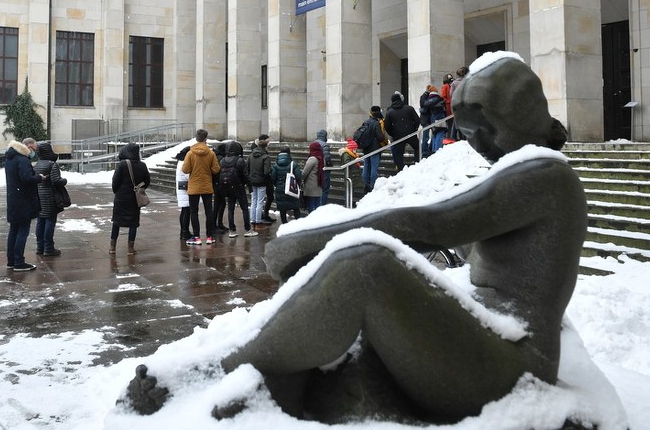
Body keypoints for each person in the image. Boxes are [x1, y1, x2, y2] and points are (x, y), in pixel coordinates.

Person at [123, 54, 585, 424]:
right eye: (467, 133)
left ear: (515, 117)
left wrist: (307, 244)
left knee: (366, 263)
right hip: (491, 337)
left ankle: (220, 369)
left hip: (509, 364)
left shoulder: (543, 175)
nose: (477, 145)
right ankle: (265, 372)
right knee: (365, 286)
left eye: (483, 131)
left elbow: (428, 225)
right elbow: (463, 237)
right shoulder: (530, 175)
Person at [5, 137, 45, 271]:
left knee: (14, 230)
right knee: (23, 230)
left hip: (14, 199)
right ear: (28, 146)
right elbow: (26, 178)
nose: (34, 152)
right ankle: (18, 262)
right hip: (23, 201)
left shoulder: (11, 157)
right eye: (34, 148)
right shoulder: (22, 159)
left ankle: (11, 260)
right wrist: (39, 178)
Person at [110, 142, 151, 255]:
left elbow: (115, 181)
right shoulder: (142, 165)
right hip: (134, 199)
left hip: (121, 198)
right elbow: (147, 181)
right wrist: (139, 189)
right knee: (133, 223)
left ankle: (112, 248)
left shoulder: (122, 164)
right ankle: (130, 249)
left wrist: (116, 191)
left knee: (116, 222)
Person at [181, 129, 220, 245]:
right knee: (209, 211)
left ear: (196, 138)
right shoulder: (211, 153)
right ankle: (209, 236)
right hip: (207, 186)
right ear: (205, 139)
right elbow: (216, 169)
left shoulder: (190, 153)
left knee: (194, 212)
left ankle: (197, 237)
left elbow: (185, 169)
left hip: (194, 187)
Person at [33, 141, 67, 257]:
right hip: (50, 197)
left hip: (39, 196)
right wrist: (64, 181)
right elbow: (56, 181)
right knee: (49, 221)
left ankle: (40, 246)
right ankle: (48, 247)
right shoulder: (52, 164)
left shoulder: (37, 164)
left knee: (40, 221)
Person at [219, 141, 257, 238]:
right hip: (239, 187)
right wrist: (249, 186)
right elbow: (246, 175)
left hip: (228, 187)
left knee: (230, 209)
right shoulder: (239, 160)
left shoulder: (222, 161)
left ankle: (232, 230)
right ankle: (248, 229)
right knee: (244, 208)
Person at [383, 91, 420, 172]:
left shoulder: (390, 112)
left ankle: (400, 169)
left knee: (399, 153)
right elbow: (417, 120)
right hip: (411, 133)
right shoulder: (409, 108)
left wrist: (392, 133)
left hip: (398, 136)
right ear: (400, 99)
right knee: (417, 147)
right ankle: (417, 163)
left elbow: (387, 126)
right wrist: (414, 129)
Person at [353, 106, 386, 195]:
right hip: (374, 149)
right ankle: (372, 185)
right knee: (374, 167)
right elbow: (380, 137)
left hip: (366, 148)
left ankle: (365, 184)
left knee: (367, 167)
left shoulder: (366, 122)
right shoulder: (376, 123)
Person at [270, 145, 303, 224]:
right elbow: (298, 177)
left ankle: (284, 224)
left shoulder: (276, 165)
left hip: (280, 188)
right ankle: (298, 223)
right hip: (292, 187)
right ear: (289, 153)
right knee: (295, 206)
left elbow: (273, 178)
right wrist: (296, 185)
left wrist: (278, 184)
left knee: (282, 207)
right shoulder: (293, 164)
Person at [246, 136, 272, 231]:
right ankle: (258, 221)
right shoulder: (266, 157)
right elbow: (266, 172)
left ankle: (253, 220)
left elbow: (247, 168)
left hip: (252, 181)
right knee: (260, 202)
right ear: (265, 147)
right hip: (261, 182)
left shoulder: (250, 156)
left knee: (254, 201)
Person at [423, 85, 448, 153]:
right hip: (440, 120)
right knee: (440, 136)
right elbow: (444, 110)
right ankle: (437, 151)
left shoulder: (427, 100)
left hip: (432, 120)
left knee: (435, 135)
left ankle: (434, 151)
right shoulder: (439, 99)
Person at [302, 141, 325, 214]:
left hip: (311, 185)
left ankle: (312, 222)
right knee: (317, 205)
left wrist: (301, 178)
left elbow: (305, 172)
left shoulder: (312, 158)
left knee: (311, 206)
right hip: (319, 184)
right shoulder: (321, 157)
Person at [174, 146, 191, 240]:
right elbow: (187, 175)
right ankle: (185, 232)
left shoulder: (180, 162)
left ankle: (184, 231)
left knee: (185, 211)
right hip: (185, 189)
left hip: (183, 188)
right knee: (186, 211)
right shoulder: (184, 163)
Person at [211, 141, 228, 234]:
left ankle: (218, 224)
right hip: (218, 183)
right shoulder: (220, 158)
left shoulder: (215, 156)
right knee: (219, 204)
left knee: (220, 204)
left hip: (216, 183)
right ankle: (215, 225)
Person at [314, 129, 334, 205]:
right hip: (324, 170)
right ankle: (322, 206)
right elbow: (327, 158)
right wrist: (330, 166)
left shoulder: (314, 144)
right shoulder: (324, 145)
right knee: (324, 190)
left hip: (315, 170)